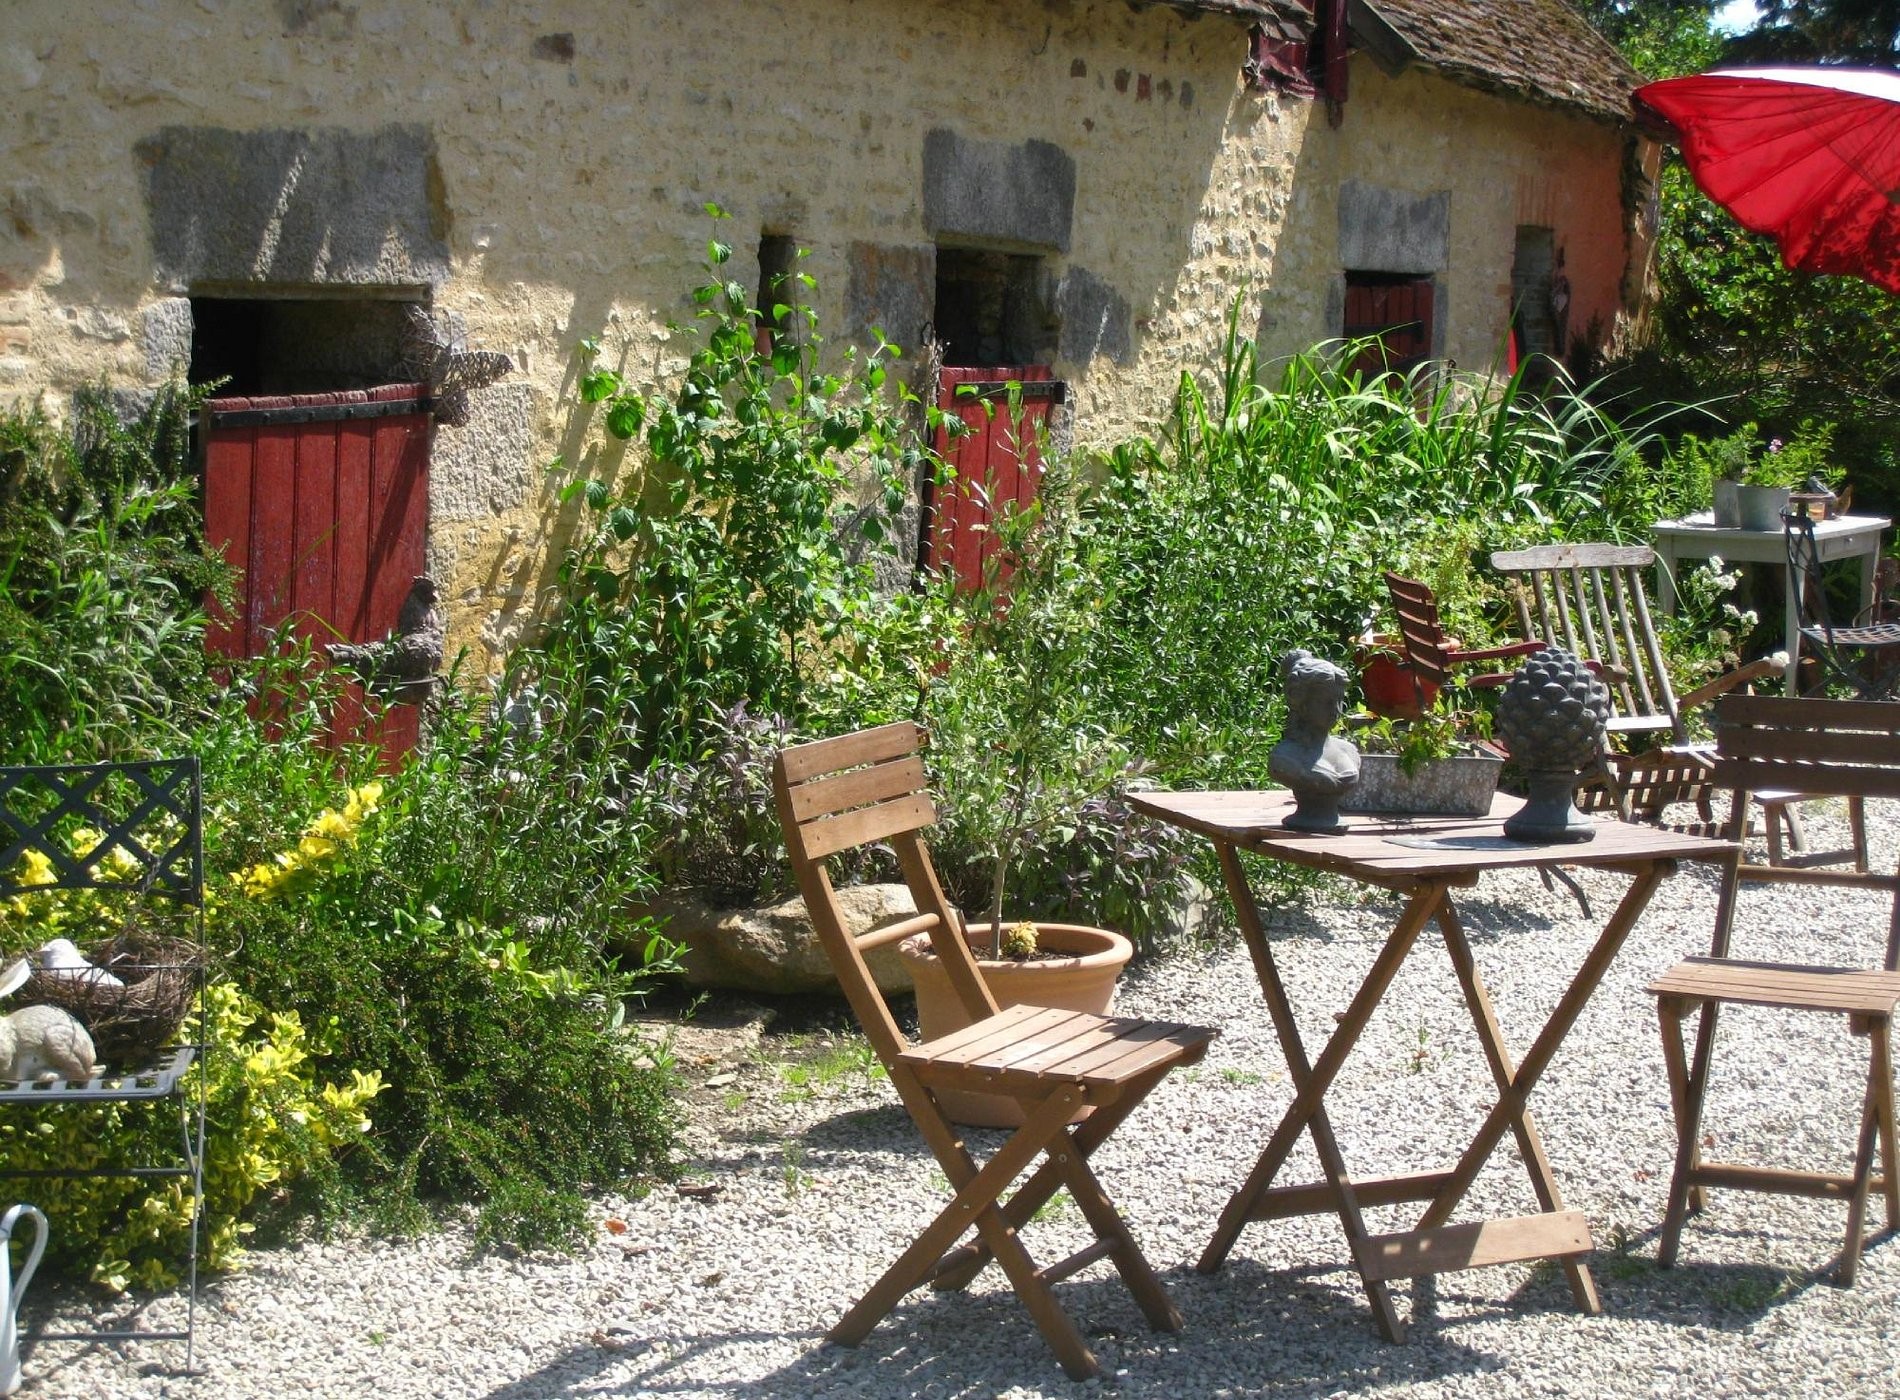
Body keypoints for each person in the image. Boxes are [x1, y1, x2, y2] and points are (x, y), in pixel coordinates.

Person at [1269, 649, 1360, 832]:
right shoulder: (1284, 756)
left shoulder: (1348, 751)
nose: (1335, 709)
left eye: (1339, 700)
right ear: (1301, 702)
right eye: (1325, 702)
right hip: (1304, 827)